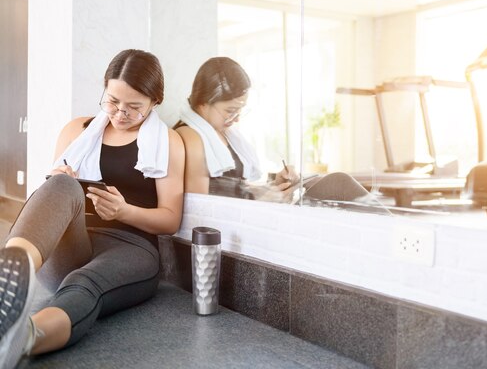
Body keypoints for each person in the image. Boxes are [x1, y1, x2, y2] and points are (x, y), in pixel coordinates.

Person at [0, 49, 185, 368]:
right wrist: (56, 180)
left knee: (85, 283)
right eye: (112, 101)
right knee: (60, 184)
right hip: (74, 241)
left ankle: (25, 338)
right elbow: (51, 200)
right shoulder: (76, 131)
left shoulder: (167, 142)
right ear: (104, 89)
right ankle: (12, 272)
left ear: (154, 102)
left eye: (134, 107)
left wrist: (124, 211)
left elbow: (171, 219)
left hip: (132, 248)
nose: (120, 113)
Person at [174, 57, 370, 203]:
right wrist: (261, 203)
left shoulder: (222, 134)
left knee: (335, 184)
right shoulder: (191, 137)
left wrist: (273, 186)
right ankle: (395, 242)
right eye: (230, 111)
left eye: (241, 110)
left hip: (253, 216)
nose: (237, 118)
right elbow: (200, 211)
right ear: (203, 103)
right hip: (237, 230)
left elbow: (234, 189)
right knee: (338, 184)